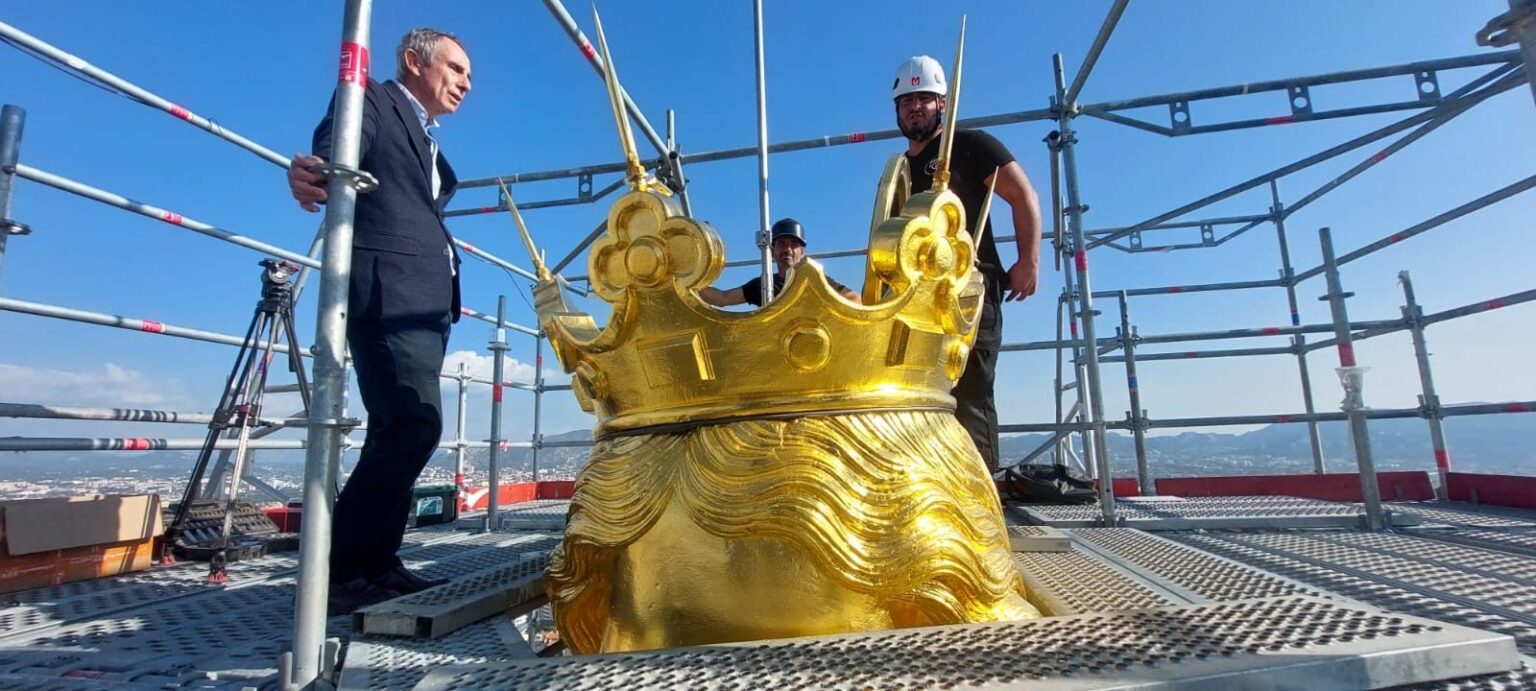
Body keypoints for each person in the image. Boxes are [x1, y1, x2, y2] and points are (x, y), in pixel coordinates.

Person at [286, 28, 472, 611]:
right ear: (414, 62)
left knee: (396, 426)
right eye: (458, 68)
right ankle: (341, 572)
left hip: (423, 300)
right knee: (413, 424)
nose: (466, 83)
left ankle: (374, 563)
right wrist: (313, 173)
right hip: (389, 293)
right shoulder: (368, 99)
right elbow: (337, 154)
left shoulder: (425, 135)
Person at [891, 55, 1043, 473]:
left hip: (972, 295)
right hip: (918, 302)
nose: (914, 107)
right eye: (906, 101)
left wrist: (1028, 260)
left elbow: (1023, 194)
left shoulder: (971, 145)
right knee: (921, 399)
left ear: (942, 103)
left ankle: (980, 510)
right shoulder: (899, 171)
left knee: (971, 397)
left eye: (924, 98)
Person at [699, 218, 861, 307]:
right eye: (782, 243)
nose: (788, 249)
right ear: (772, 250)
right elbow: (722, 298)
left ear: (802, 252)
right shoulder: (764, 285)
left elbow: (854, 298)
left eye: (794, 244)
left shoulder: (817, 281)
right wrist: (683, 282)